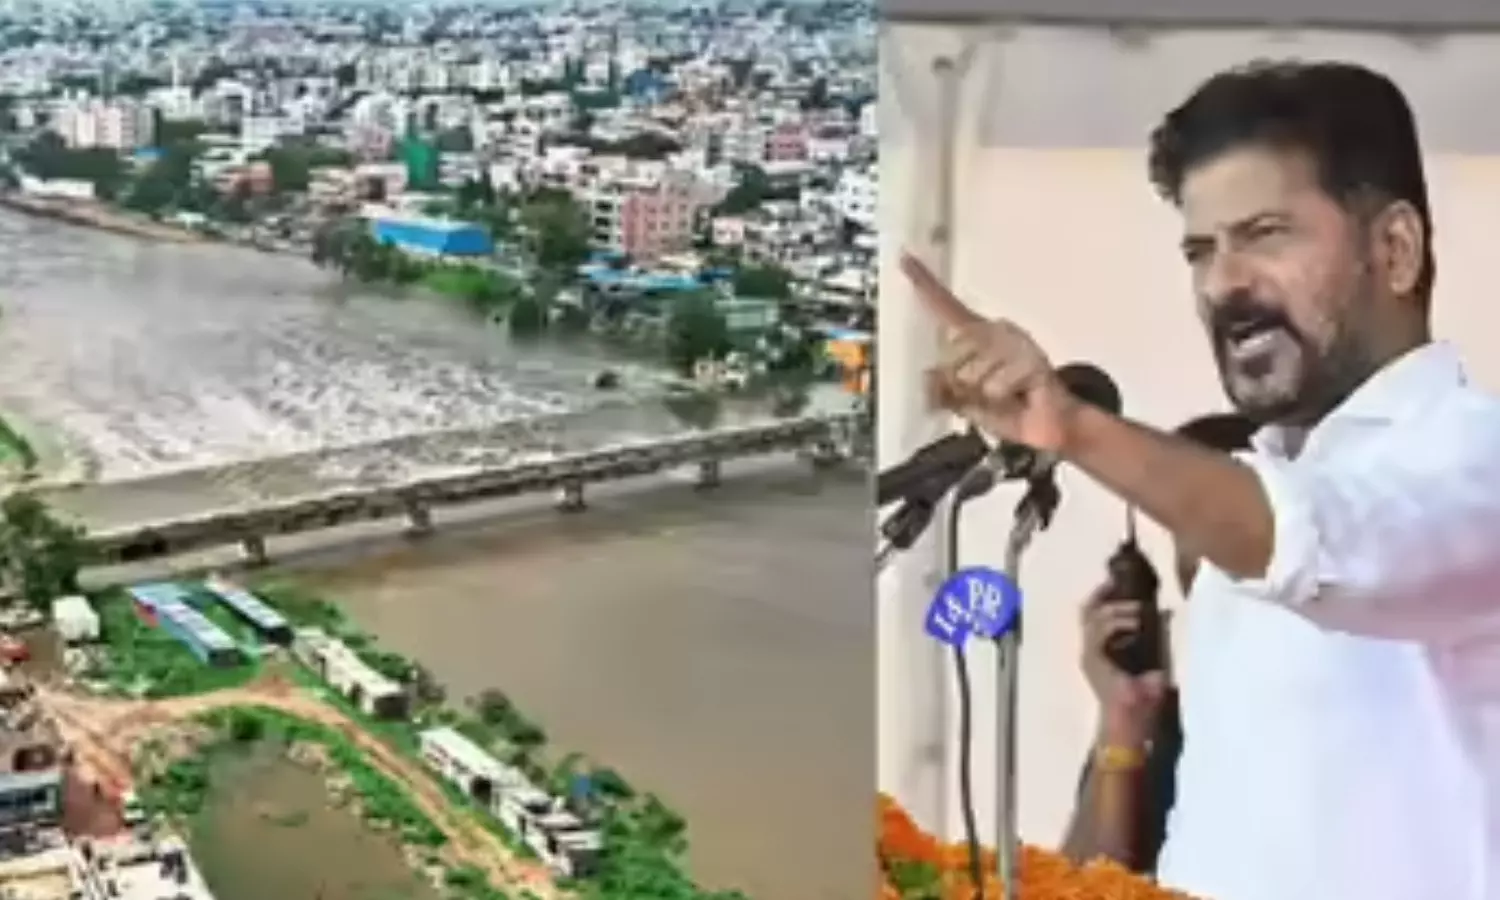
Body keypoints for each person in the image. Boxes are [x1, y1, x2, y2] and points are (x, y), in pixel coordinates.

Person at [903, 60, 1500, 900]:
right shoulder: (1261, 491)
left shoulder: (1475, 458)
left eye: (1266, 234)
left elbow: (1319, 540)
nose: (1224, 284)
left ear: (1393, 250)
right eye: (1200, 250)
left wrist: (1074, 428)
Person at [1060, 413, 1255, 875]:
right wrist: (1121, 724)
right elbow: (1082, 888)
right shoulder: (1171, 723)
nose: (1204, 552)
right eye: (1187, 527)